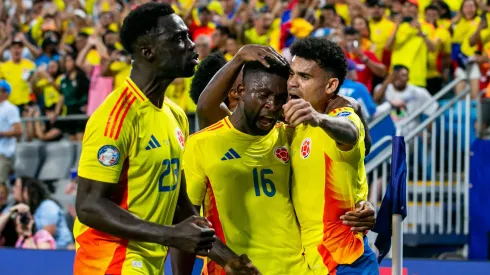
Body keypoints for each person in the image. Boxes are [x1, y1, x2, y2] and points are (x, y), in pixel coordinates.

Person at [73, 3, 253, 275]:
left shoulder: (175, 115)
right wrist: (170, 235)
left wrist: (231, 261)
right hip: (110, 260)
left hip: (147, 261)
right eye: (179, 38)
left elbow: (181, 206)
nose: (192, 45)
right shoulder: (115, 117)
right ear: (148, 52)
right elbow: (88, 206)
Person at [187, 44, 376, 275]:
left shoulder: (289, 130)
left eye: (278, 95)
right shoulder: (209, 141)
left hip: (323, 261)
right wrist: (238, 58)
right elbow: (206, 107)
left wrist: (348, 108)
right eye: (292, 76)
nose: (291, 84)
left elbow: (356, 139)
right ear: (239, 91)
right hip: (272, 265)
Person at [284, 37, 378, 275]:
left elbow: (351, 131)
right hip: (308, 262)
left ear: (330, 85)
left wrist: (319, 118)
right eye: (291, 74)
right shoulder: (295, 126)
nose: (292, 84)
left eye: (304, 77)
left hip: (345, 261)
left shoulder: (339, 117)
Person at [0, 80, 22, 183]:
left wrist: (1, 133)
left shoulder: (10, 108)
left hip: (5, 153)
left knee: (1, 184)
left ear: (6, 93)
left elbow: (18, 131)